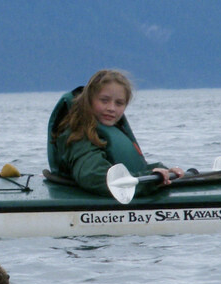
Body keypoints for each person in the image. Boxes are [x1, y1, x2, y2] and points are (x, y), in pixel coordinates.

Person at [47, 69, 184, 196]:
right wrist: (151, 181)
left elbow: (132, 167)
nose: (111, 108)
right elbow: (93, 176)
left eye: (119, 103)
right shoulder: (77, 134)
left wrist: (162, 171)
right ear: (89, 100)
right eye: (104, 100)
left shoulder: (109, 128)